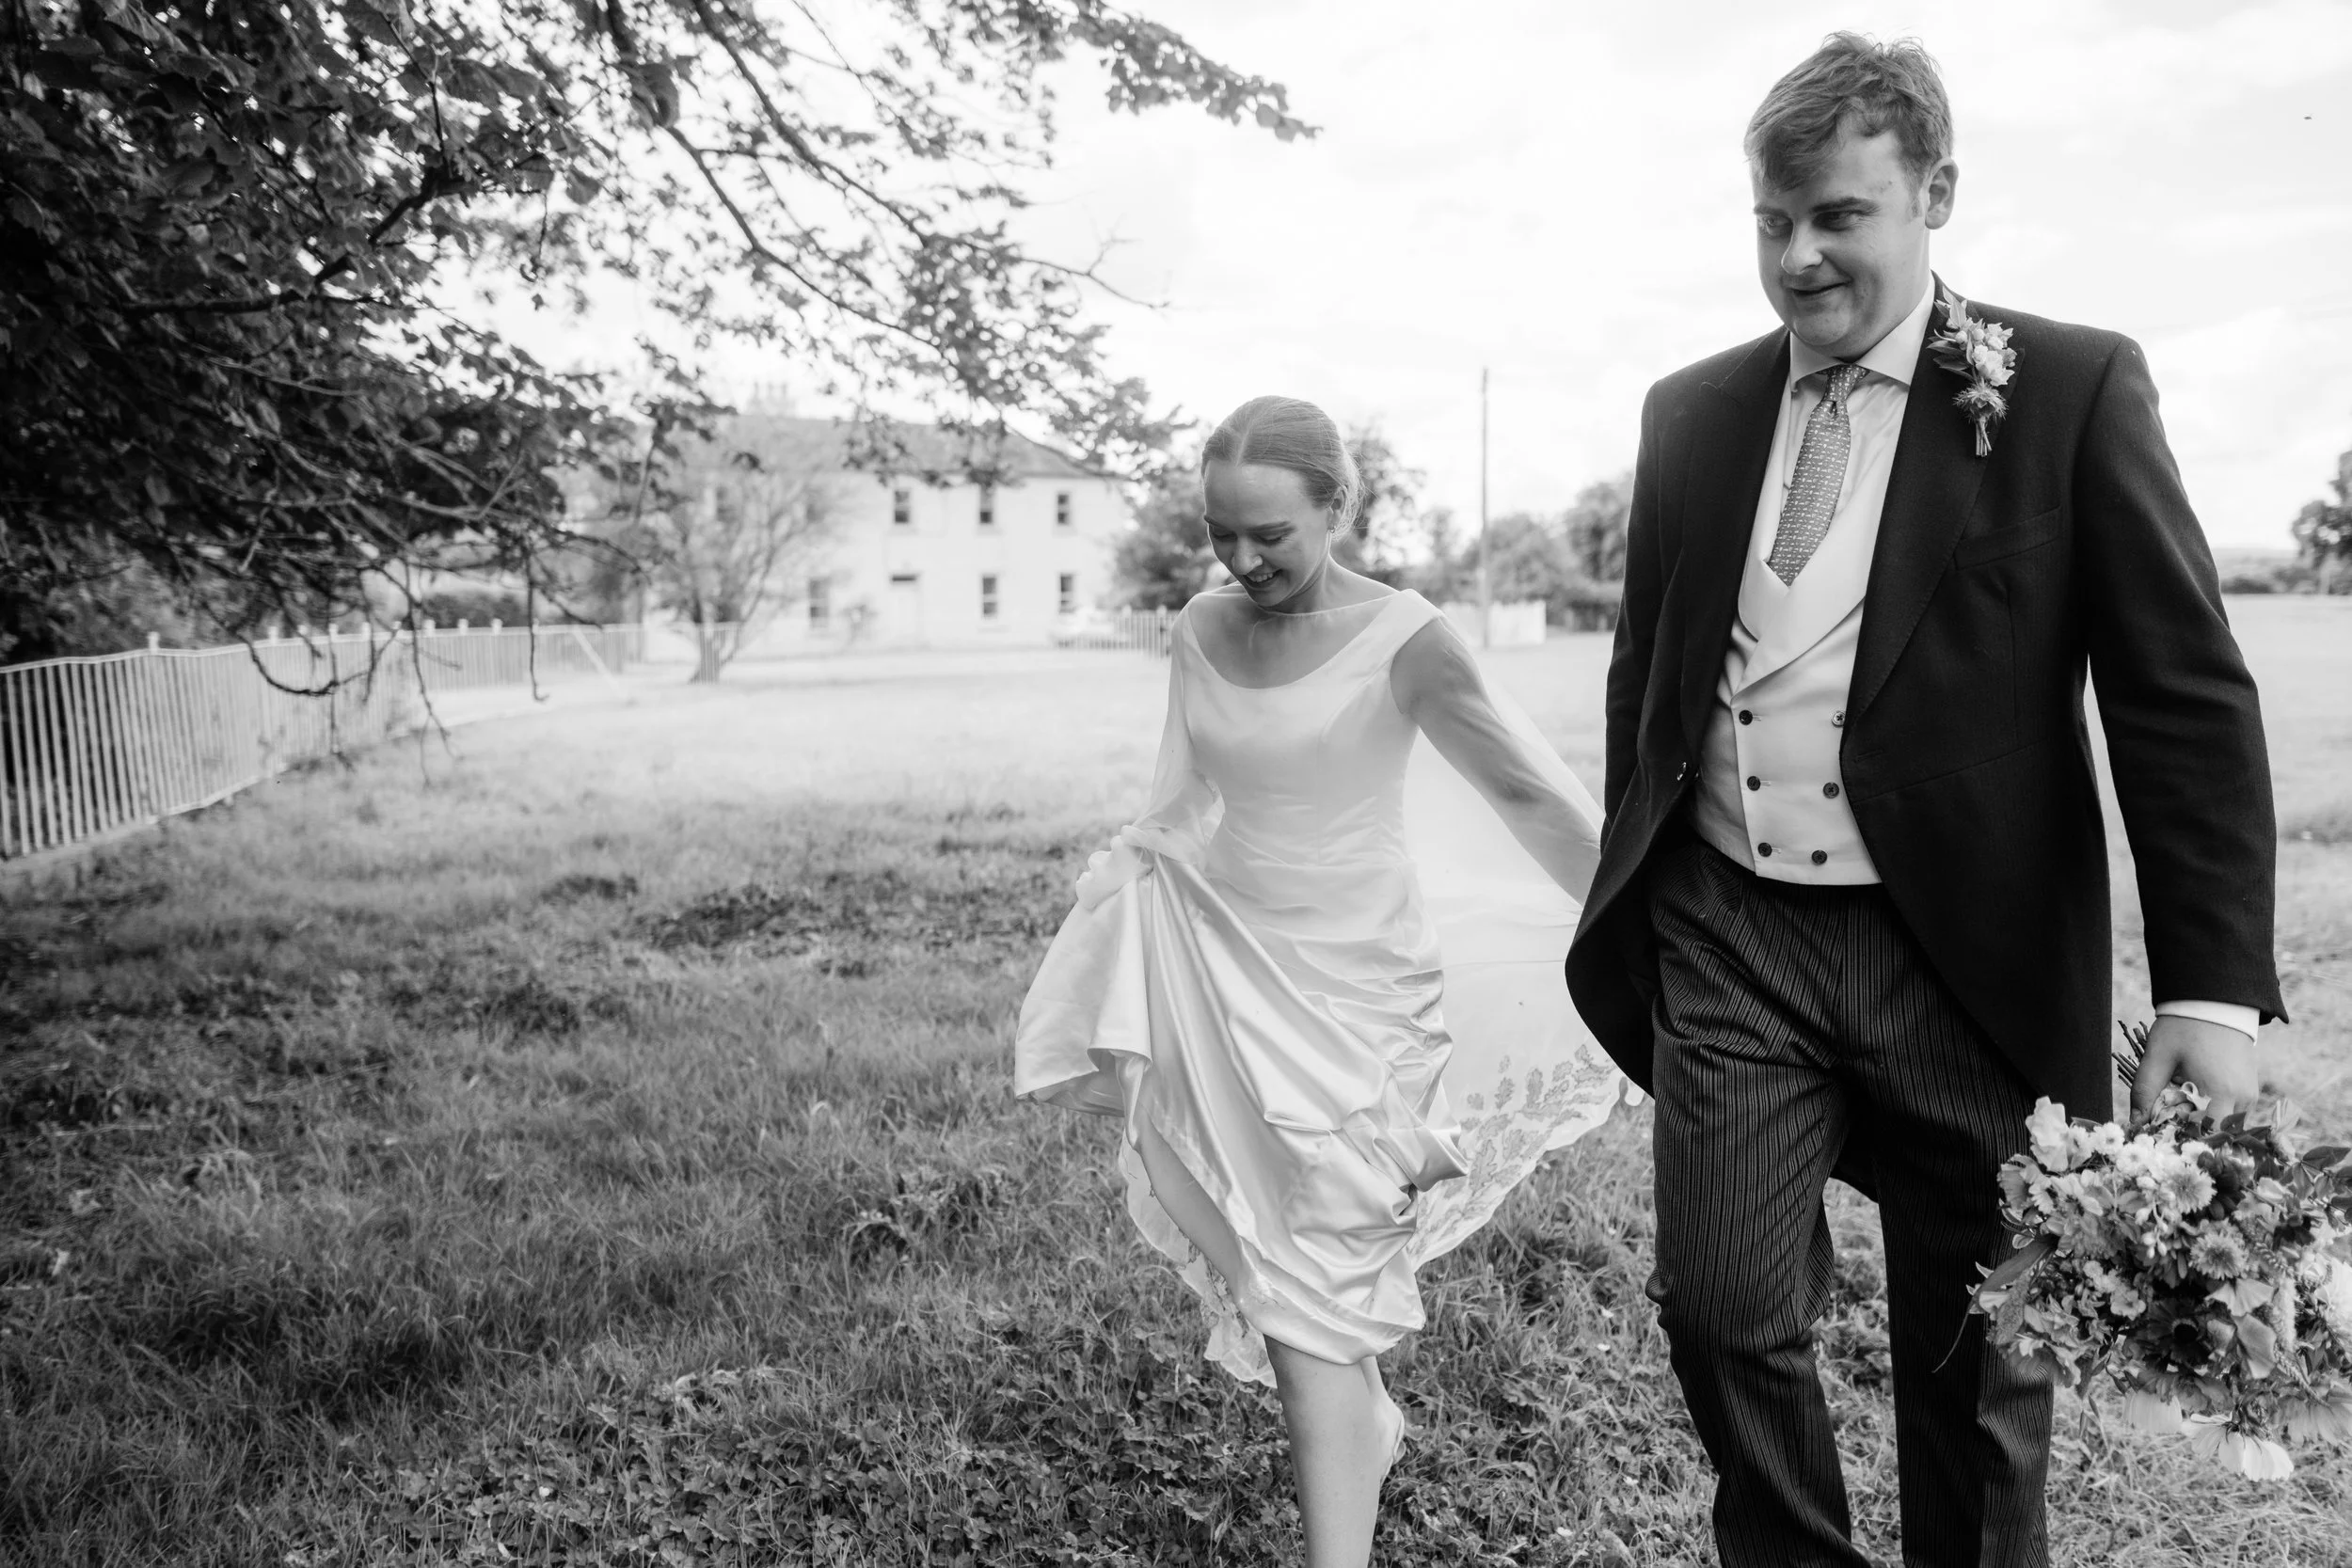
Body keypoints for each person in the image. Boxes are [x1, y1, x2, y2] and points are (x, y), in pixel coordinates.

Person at [1563, 34, 2284, 1568]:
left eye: (1839, 214)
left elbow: (2182, 693)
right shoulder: (1688, 413)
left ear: (1934, 192)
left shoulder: (2068, 388)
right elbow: (1651, 666)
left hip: (1965, 959)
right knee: (1722, 1304)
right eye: (1772, 221)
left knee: (1977, 1368)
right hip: (1731, 932)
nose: (1800, 254)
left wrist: (2211, 985)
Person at [1016, 395, 1629, 1568]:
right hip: (1225, 985)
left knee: (1312, 1290)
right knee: (1280, 1274)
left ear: (1337, 509)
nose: (1242, 561)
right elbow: (1184, 796)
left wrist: (1650, 932)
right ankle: (1362, 1423)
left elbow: (1528, 799)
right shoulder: (1196, 627)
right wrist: (1124, 902)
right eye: (1221, 532)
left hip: (1359, 1004)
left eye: (1271, 536)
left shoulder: (1408, 639)